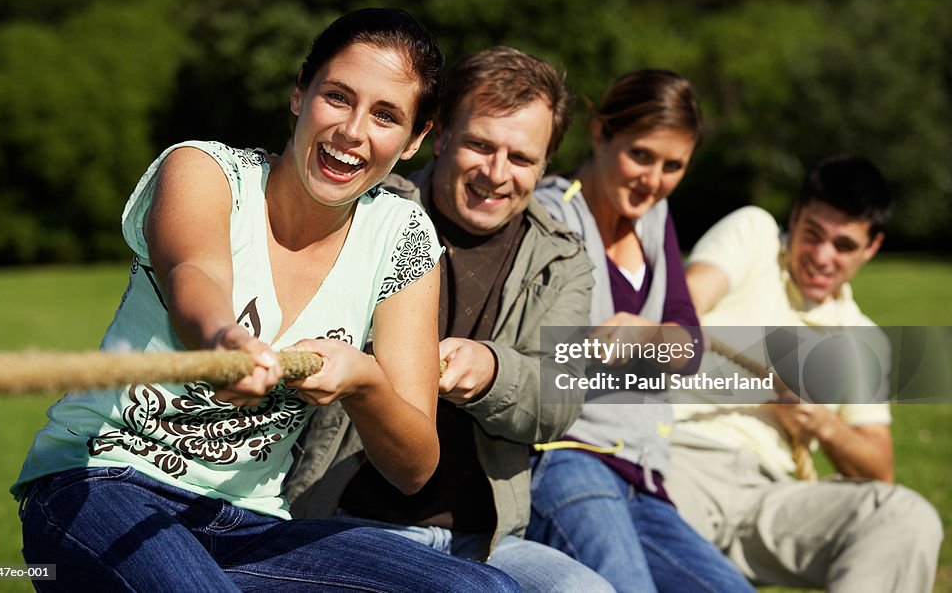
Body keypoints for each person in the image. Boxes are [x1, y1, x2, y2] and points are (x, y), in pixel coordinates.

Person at [12, 8, 519, 593]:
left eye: (386, 116)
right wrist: (223, 342)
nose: (353, 131)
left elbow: (413, 467)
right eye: (337, 97)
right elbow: (194, 271)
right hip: (99, 482)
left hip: (247, 523)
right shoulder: (204, 170)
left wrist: (364, 383)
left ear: (415, 141)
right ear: (300, 92)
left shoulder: (401, 237)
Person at [285, 47, 614, 592]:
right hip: (345, 518)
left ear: (545, 167)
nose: (496, 173)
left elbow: (560, 402)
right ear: (440, 138)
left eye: (521, 158)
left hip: (487, 540)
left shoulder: (564, 259)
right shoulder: (368, 211)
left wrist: (489, 372)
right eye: (480, 145)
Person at [526, 69, 756, 592]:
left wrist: (646, 335)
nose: (653, 180)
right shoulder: (550, 214)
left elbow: (689, 344)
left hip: (644, 474)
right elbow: (537, 359)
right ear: (602, 132)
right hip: (566, 461)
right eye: (642, 155)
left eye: (673, 166)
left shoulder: (656, 217)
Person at [672, 154, 943, 591]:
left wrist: (821, 422)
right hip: (682, 457)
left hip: (767, 495)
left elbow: (879, 469)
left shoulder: (861, 339)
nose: (821, 256)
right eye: (812, 234)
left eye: (844, 245)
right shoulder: (755, 234)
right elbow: (687, 304)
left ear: (872, 248)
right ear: (795, 216)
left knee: (904, 516)